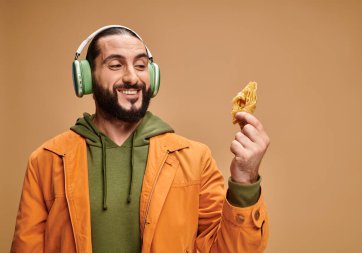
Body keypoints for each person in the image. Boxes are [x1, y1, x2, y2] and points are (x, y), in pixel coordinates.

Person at [11, 25, 270, 253]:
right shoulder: (46, 161)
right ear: (87, 78)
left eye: (141, 65)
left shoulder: (194, 159)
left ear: (153, 77)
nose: (132, 77)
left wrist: (244, 181)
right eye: (115, 65)